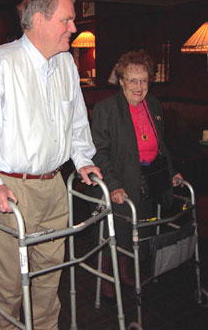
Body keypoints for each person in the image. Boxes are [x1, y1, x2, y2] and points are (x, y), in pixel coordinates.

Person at [0, 0, 102, 330]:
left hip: (53, 189)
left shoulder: (66, 64)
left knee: (48, 283)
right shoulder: (0, 64)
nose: (74, 27)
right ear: (39, 19)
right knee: (5, 289)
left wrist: (82, 159)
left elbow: (77, 124)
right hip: (8, 191)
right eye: (67, 20)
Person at [91, 49, 182, 299]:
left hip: (150, 175)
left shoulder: (152, 104)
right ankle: (111, 278)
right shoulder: (106, 109)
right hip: (121, 179)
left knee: (141, 228)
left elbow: (160, 143)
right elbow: (99, 152)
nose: (139, 86)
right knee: (119, 230)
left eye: (143, 80)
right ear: (121, 81)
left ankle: (129, 269)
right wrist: (113, 185)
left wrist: (171, 173)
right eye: (132, 80)